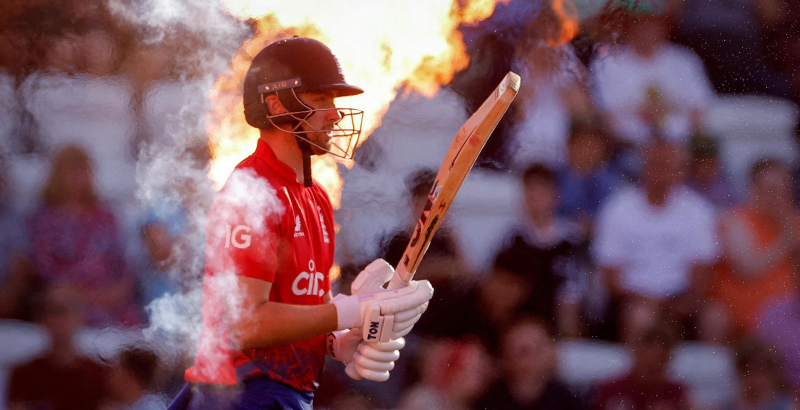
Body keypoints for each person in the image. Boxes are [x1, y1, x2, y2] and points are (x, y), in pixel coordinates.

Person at [169, 37, 434, 410]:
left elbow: (305, 306)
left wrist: (338, 342)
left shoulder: (317, 197)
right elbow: (246, 323)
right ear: (277, 104)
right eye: (321, 100)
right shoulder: (252, 189)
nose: (335, 114)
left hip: (288, 392)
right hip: (239, 393)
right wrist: (352, 310)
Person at [593, 140, 719, 343]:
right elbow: (611, 278)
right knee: (642, 316)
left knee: (715, 317)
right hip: (632, 300)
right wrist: (651, 302)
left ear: (680, 171)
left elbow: (702, 272)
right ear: (644, 168)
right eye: (656, 165)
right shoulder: (617, 209)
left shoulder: (698, 211)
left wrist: (681, 304)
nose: (661, 172)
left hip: (681, 300)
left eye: (668, 166)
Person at [25, 145, 140, 328]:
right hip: (66, 303)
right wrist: (78, 296)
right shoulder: (43, 219)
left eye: (84, 171)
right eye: (72, 171)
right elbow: (43, 271)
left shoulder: (106, 217)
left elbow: (122, 265)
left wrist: (114, 292)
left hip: (109, 300)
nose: (79, 177)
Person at [495, 164, 589, 337]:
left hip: (560, 315)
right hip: (521, 315)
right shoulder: (512, 237)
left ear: (555, 195)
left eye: (541, 192)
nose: (535, 198)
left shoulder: (571, 238)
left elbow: (575, 287)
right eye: (529, 192)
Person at [712, 159, 800, 337]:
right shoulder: (736, 220)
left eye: (783, 190)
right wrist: (785, 241)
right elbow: (747, 268)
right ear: (754, 188)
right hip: (747, 318)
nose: (778, 196)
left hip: (790, 319)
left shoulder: (794, 220)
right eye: (772, 189)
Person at [8, 286, 112, 410]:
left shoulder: (102, 374)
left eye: (66, 310)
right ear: (41, 319)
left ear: (80, 316)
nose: (59, 319)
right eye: (52, 311)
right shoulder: (23, 374)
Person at [475, 317, 586, 410]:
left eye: (540, 348)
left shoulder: (565, 398)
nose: (535, 357)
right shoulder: (490, 401)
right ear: (505, 360)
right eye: (524, 351)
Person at [592, 325, 691, 410]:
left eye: (659, 362)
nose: (653, 365)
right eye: (648, 362)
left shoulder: (677, 394)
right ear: (636, 354)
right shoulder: (610, 391)